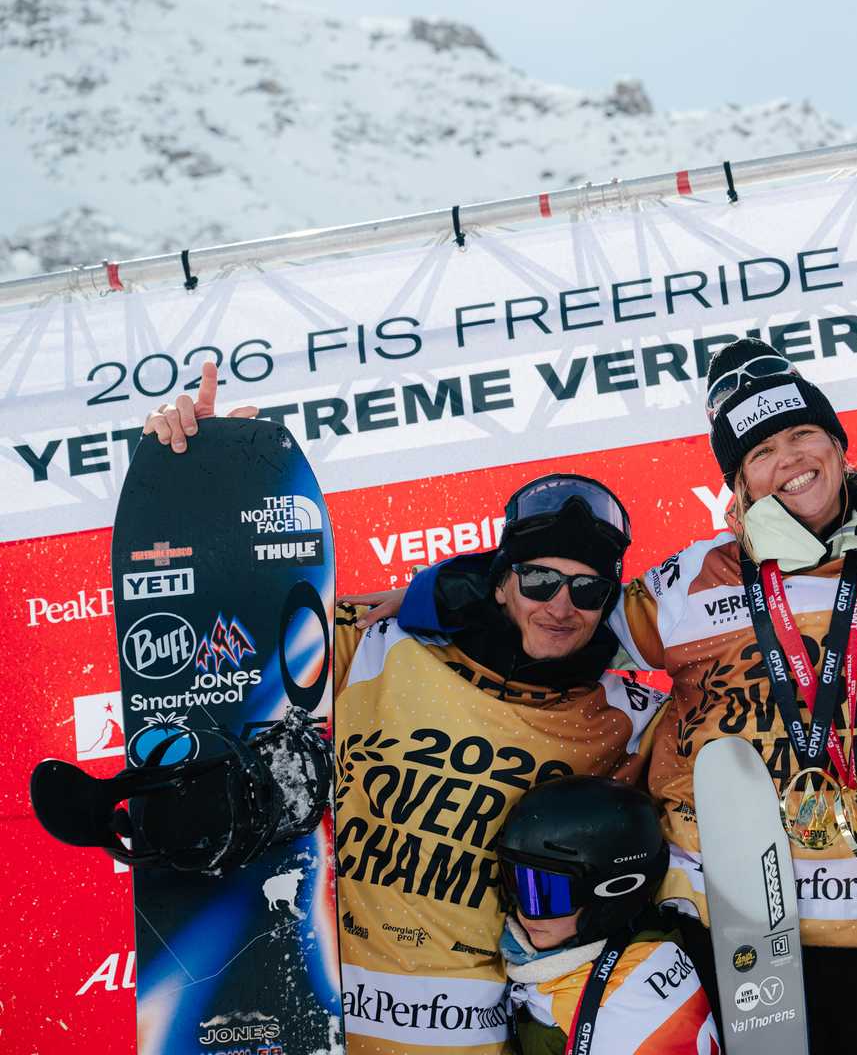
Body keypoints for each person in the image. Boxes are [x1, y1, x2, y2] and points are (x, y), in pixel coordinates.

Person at [394, 338, 857, 1054]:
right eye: (762, 451)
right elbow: (565, 622)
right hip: (728, 916)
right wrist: (444, 590)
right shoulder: (689, 583)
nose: (790, 460)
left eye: (804, 435)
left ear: (839, 447)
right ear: (739, 484)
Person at [141, 384, 663, 1055]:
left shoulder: (628, 719)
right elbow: (234, 651)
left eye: (587, 590)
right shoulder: (377, 643)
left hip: (468, 1037)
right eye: (539, 581)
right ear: (501, 581)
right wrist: (211, 490)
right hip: (312, 1014)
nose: (561, 606)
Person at [495, 776, 718, 1054]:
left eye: (547, 894)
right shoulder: (537, 962)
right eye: (518, 883)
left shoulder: (633, 1004)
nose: (526, 912)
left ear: (610, 896)